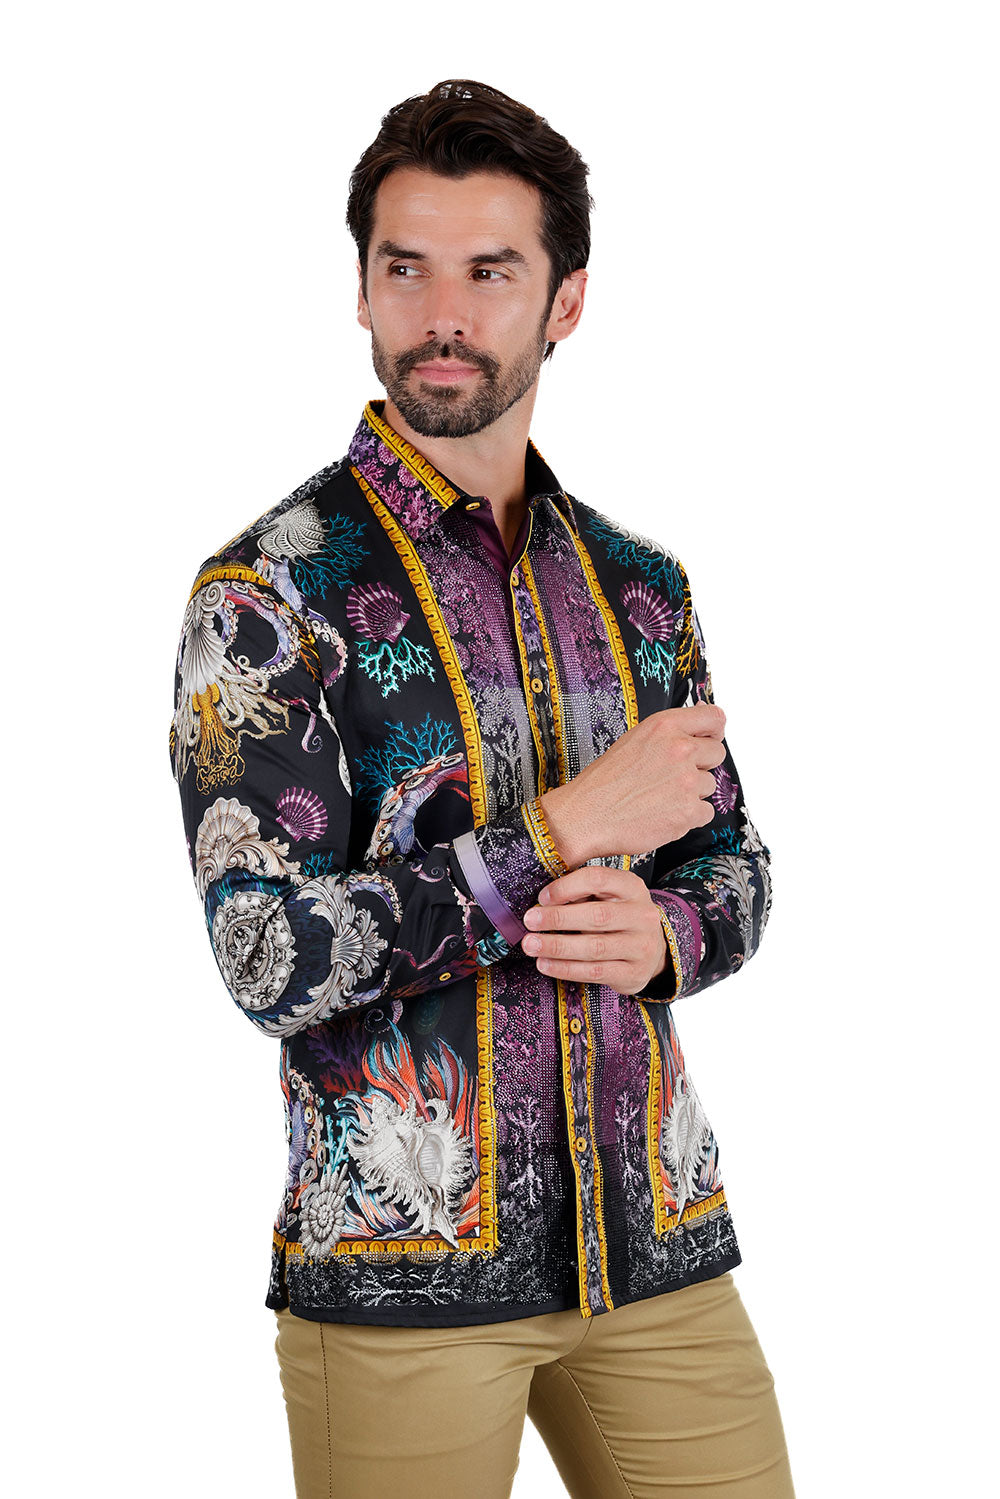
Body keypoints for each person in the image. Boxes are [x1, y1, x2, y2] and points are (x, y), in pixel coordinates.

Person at [169, 77, 795, 1499]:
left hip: (657, 1249)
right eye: (407, 269)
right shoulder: (267, 594)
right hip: (401, 1272)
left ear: (565, 302)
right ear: (362, 289)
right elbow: (264, 957)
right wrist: (557, 838)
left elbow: (737, 866)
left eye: (489, 272)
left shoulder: (641, 587)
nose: (441, 315)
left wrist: (670, 936)